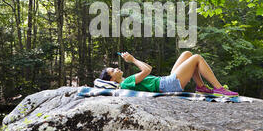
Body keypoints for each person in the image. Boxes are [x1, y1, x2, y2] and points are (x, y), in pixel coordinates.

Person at [99, 51, 238, 96]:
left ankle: (201, 86)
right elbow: (147, 70)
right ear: (112, 80)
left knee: (187, 54)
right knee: (196, 58)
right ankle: (219, 88)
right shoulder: (125, 83)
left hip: (165, 81)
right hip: (168, 85)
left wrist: (132, 59)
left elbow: (148, 67)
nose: (116, 69)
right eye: (113, 71)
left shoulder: (127, 81)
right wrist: (133, 60)